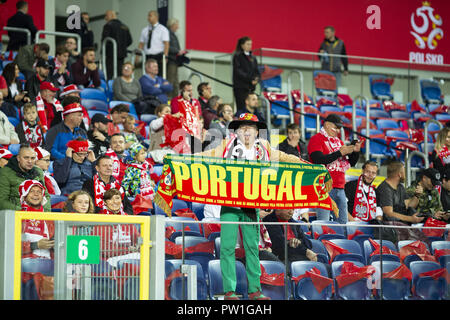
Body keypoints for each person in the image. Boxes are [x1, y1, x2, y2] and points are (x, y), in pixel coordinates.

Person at [197, 113, 311, 300]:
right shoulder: (227, 145)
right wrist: (183, 158)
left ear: (257, 131)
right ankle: (229, 292)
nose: (246, 130)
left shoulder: (264, 147)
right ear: (237, 130)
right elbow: (206, 155)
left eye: (250, 127)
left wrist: (306, 164)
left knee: (252, 248)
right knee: (227, 248)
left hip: (251, 205)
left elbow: (284, 157)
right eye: (243, 127)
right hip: (230, 203)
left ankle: (255, 291)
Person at [308, 114, 362, 223]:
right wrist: (340, 153)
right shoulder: (316, 139)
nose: (338, 130)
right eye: (336, 127)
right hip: (324, 187)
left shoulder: (338, 142)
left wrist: (355, 152)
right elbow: (318, 160)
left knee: (343, 224)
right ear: (327, 125)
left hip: (340, 187)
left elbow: (349, 163)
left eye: (340, 128)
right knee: (324, 223)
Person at [376, 161, 430, 244]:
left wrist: (417, 196)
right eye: (404, 171)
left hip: (402, 225)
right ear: (399, 174)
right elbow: (388, 213)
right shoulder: (385, 188)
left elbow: (409, 205)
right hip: (390, 227)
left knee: (424, 241)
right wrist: (411, 219)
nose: (405, 175)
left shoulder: (400, 187)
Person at [0, 144, 51, 211]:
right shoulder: (5, 172)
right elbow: (2, 201)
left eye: (32, 158)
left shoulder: (38, 171)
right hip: (16, 215)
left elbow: (46, 196)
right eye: (26, 158)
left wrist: (44, 212)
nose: (29, 161)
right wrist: (24, 211)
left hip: (38, 214)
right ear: (18, 158)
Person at [102, 10, 133, 80]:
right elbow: (130, 41)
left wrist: (104, 52)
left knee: (108, 75)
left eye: (106, 15)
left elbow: (105, 41)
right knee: (119, 74)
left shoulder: (108, 25)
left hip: (110, 55)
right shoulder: (125, 26)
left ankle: (109, 88)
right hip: (121, 56)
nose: (105, 18)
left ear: (112, 15)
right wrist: (122, 47)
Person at [232, 36, 260, 111]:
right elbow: (238, 71)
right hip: (241, 87)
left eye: (250, 44)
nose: (250, 46)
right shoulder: (237, 56)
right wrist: (250, 79)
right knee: (242, 108)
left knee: (252, 108)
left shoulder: (253, 57)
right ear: (242, 45)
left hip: (250, 88)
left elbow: (257, 71)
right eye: (247, 44)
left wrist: (256, 79)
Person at [138, 10, 169, 77]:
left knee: (158, 75)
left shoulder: (162, 29)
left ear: (156, 17)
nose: (148, 17)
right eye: (148, 16)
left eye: (150, 15)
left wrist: (165, 56)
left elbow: (166, 44)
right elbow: (141, 44)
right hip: (147, 56)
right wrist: (137, 57)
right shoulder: (145, 30)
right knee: (147, 74)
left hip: (158, 56)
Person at [167, 18, 186, 99]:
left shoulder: (173, 35)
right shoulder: (168, 34)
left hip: (175, 61)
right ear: (172, 25)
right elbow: (167, 46)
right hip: (171, 61)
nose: (178, 27)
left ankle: (175, 100)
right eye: (177, 25)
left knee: (175, 83)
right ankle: (168, 99)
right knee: (171, 82)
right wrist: (178, 51)